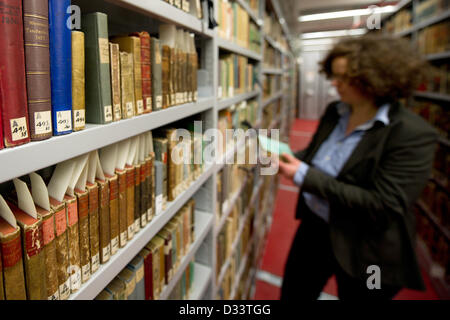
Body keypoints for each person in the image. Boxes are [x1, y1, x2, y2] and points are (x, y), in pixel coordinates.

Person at [277, 34, 437, 300]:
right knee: (293, 293)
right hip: (315, 228)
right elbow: (317, 153)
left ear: (376, 79)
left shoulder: (411, 134)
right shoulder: (335, 111)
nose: (334, 83)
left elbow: (383, 205)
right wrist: (285, 157)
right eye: (333, 74)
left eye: (344, 78)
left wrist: (304, 175)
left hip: (366, 246)